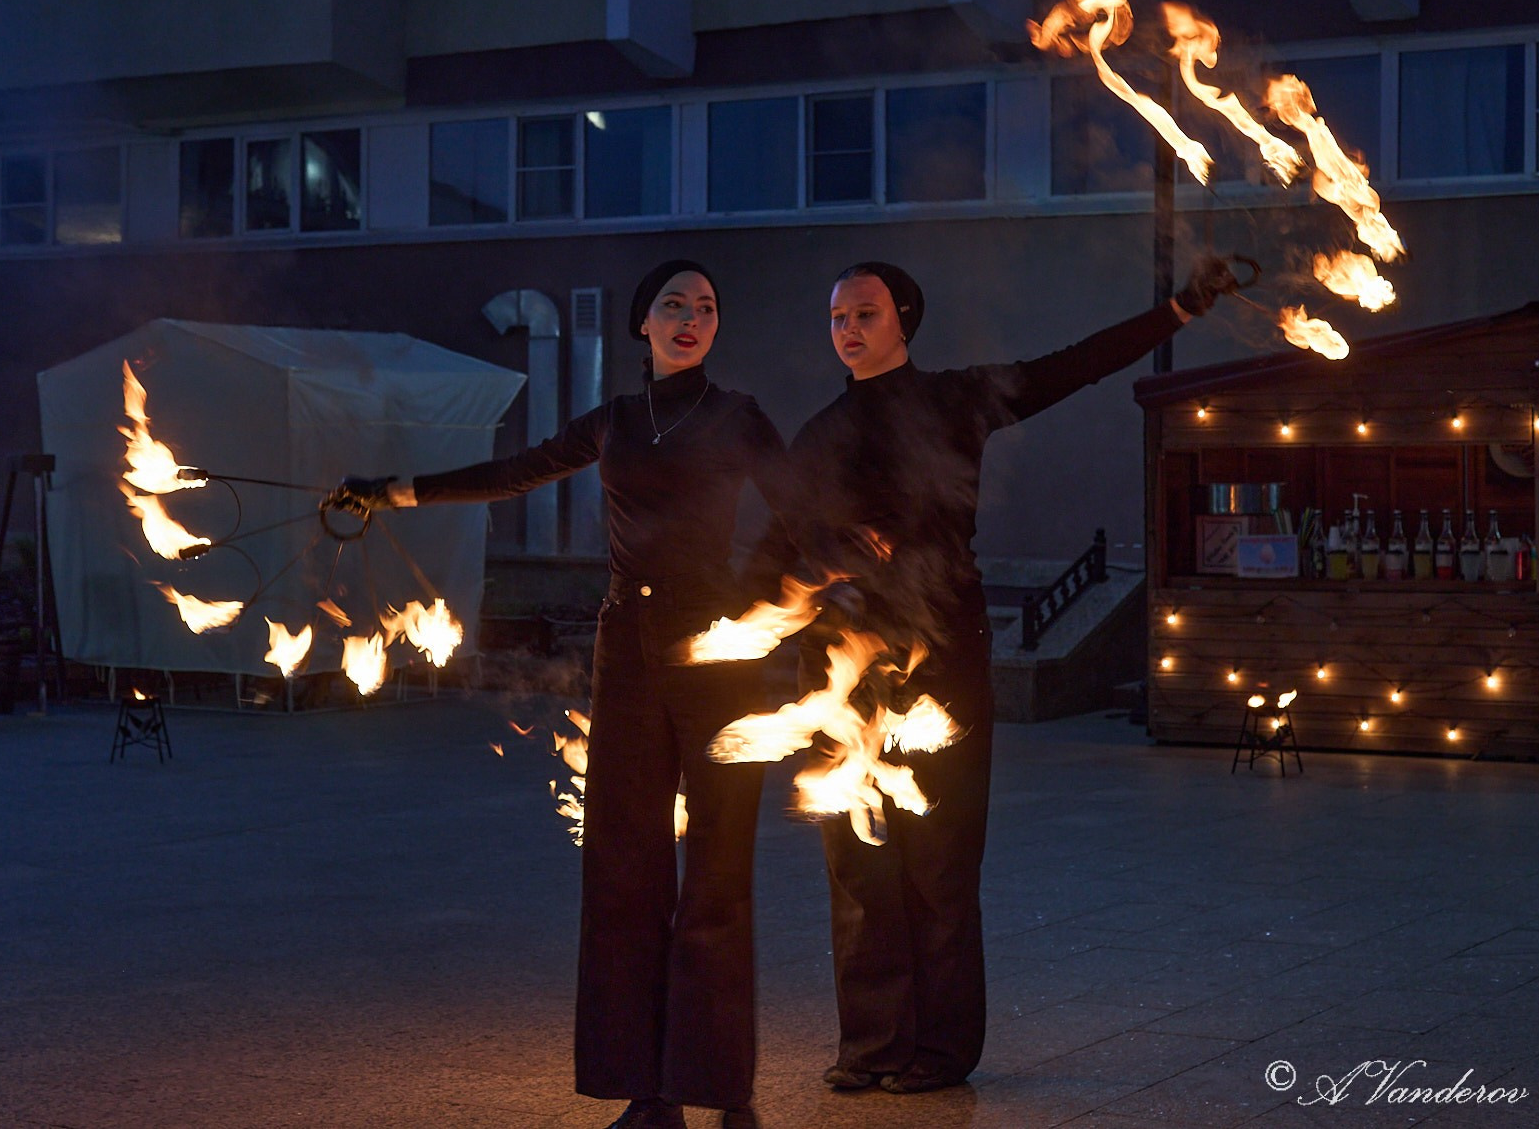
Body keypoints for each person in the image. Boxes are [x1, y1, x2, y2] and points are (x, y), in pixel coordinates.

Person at [331, 260, 798, 1129]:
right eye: (673, 304)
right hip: (626, 651)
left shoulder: (739, 417)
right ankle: (648, 1093)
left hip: (719, 654)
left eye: (705, 307)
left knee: (718, 874)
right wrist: (394, 491)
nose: (690, 317)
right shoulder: (615, 420)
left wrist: (760, 597)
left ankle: (727, 1087)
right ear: (642, 325)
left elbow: (801, 510)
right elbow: (516, 471)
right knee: (625, 871)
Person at [759, 254, 1236, 1096]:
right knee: (855, 854)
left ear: (904, 317)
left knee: (940, 851)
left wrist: (1177, 310)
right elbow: (775, 552)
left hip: (941, 646)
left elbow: (1071, 366)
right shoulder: (820, 434)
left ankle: (939, 1051)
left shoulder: (954, 399)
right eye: (837, 318)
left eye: (865, 313)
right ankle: (871, 1044)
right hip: (839, 660)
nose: (848, 330)